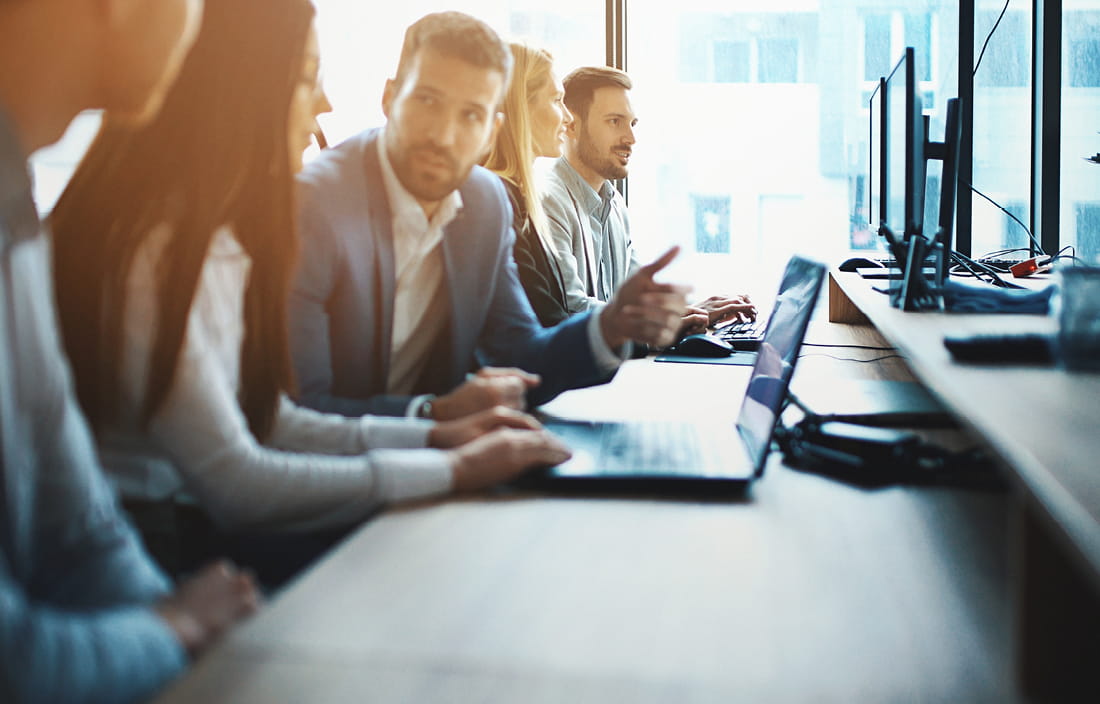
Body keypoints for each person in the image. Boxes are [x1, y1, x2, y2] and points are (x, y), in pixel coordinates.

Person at [51, 0, 568, 588]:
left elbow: (267, 420)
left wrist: (434, 434)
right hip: (157, 538)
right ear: (238, 88)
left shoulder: (211, 232)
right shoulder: (156, 244)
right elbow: (235, 480)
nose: (324, 102)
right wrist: (449, 466)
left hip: (189, 522)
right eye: (306, 77)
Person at [0, 0, 261, 701]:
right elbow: (14, 663)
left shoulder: (13, 190)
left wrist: (193, 634)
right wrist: (171, 629)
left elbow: (78, 524)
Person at [290, 11, 689, 421]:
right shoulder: (314, 205)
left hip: (444, 459)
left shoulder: (485, 202)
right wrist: (433, 417)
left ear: (492, 130)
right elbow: (299, 411)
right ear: (390, 98)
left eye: (470, 116)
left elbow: (519, 357)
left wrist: (610, 326)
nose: (444, 137)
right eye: (427, 101)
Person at [541, 65, 755, 335]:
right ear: (571, 126)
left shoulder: (614, 203)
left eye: (632, 124)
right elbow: (569, 310)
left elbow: (638, 302)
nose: (630, 138)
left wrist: (694, 311)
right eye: (614, 121)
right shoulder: (549, 201)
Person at [482, 41, 570, 327]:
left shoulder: (517, 196)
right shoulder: (498, 199)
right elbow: (546, 318)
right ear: (522, 107)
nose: (568, 119)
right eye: (557, 101)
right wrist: (645, 333)